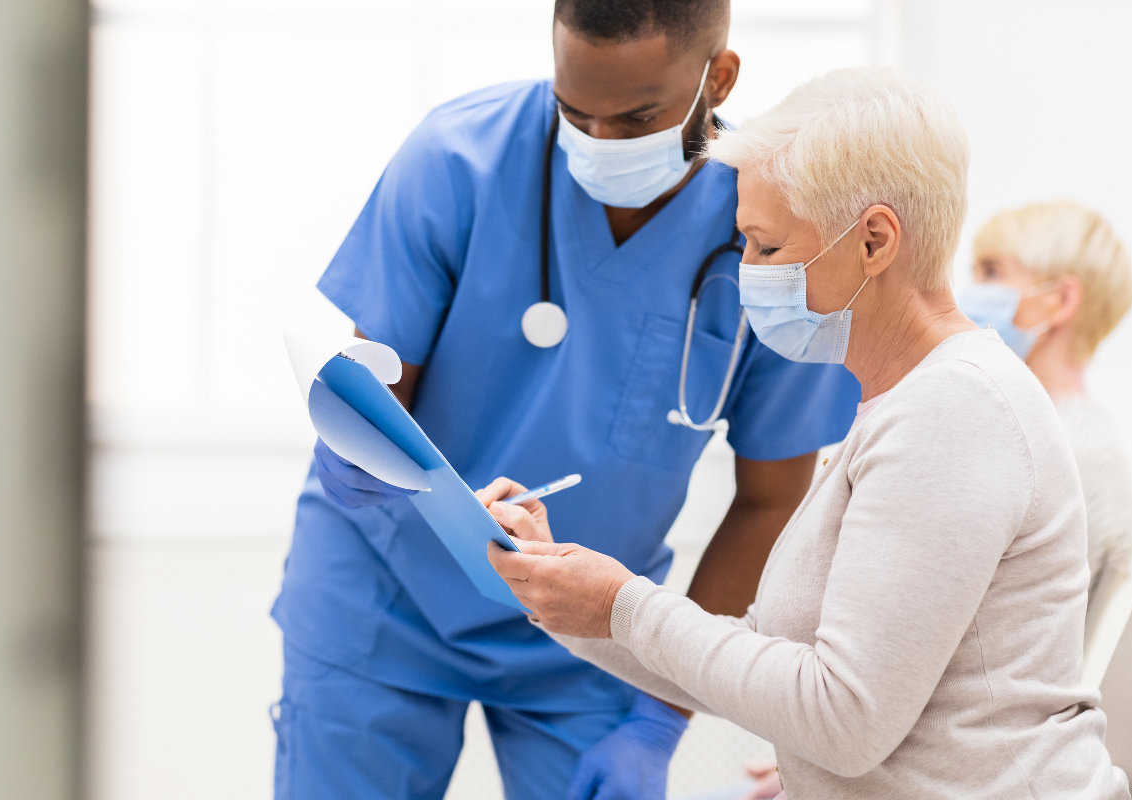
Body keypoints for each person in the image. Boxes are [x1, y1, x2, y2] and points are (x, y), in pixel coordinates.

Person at [485, 66, 1130, 799]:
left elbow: (844, 719)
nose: (747, 274)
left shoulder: (956, 411)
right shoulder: (903, 402)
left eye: (766, 248)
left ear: (874, 241)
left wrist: (623, 605)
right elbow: (769, 661)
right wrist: (567, 596)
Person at [270, 1, 861, 798]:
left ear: (718, 78)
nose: (599, 142)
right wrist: (354, 444)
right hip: (384, 597)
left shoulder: (776, 230)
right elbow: (379, 394)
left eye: (637, 117)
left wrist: (661, 718)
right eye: (574, 112)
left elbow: (770, 500)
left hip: (591, 626)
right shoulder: (459, 158)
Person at [959, 202, 1132, 644]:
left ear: (1060, 300)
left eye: (991, 272)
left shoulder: (1064, 450)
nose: (969, 291)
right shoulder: (1042, 430)